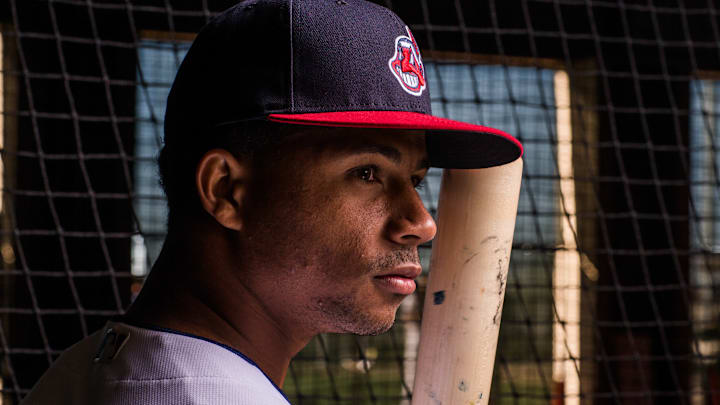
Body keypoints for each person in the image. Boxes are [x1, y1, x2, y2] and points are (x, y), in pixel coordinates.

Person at [21, 0, 522, 403]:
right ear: (226, 191)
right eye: (367, 172)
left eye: (415, 178)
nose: (421, 222)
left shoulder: (82, 368)